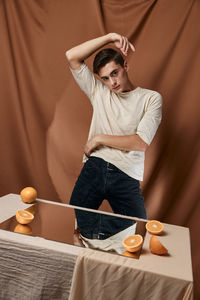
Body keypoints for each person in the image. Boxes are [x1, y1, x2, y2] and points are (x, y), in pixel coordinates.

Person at [66, 33, 162, 240]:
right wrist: (109, 37)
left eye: (115, 73)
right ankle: (84, 240)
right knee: (76, 223)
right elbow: (71, 56)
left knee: (138, 231)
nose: (112, 82)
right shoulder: (99, 92)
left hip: (126, 175)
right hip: (95, 168)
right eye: (106, 78)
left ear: (125, 66)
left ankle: (91, 237)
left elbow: (140, 143)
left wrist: (99, 139)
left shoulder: (150, 98)